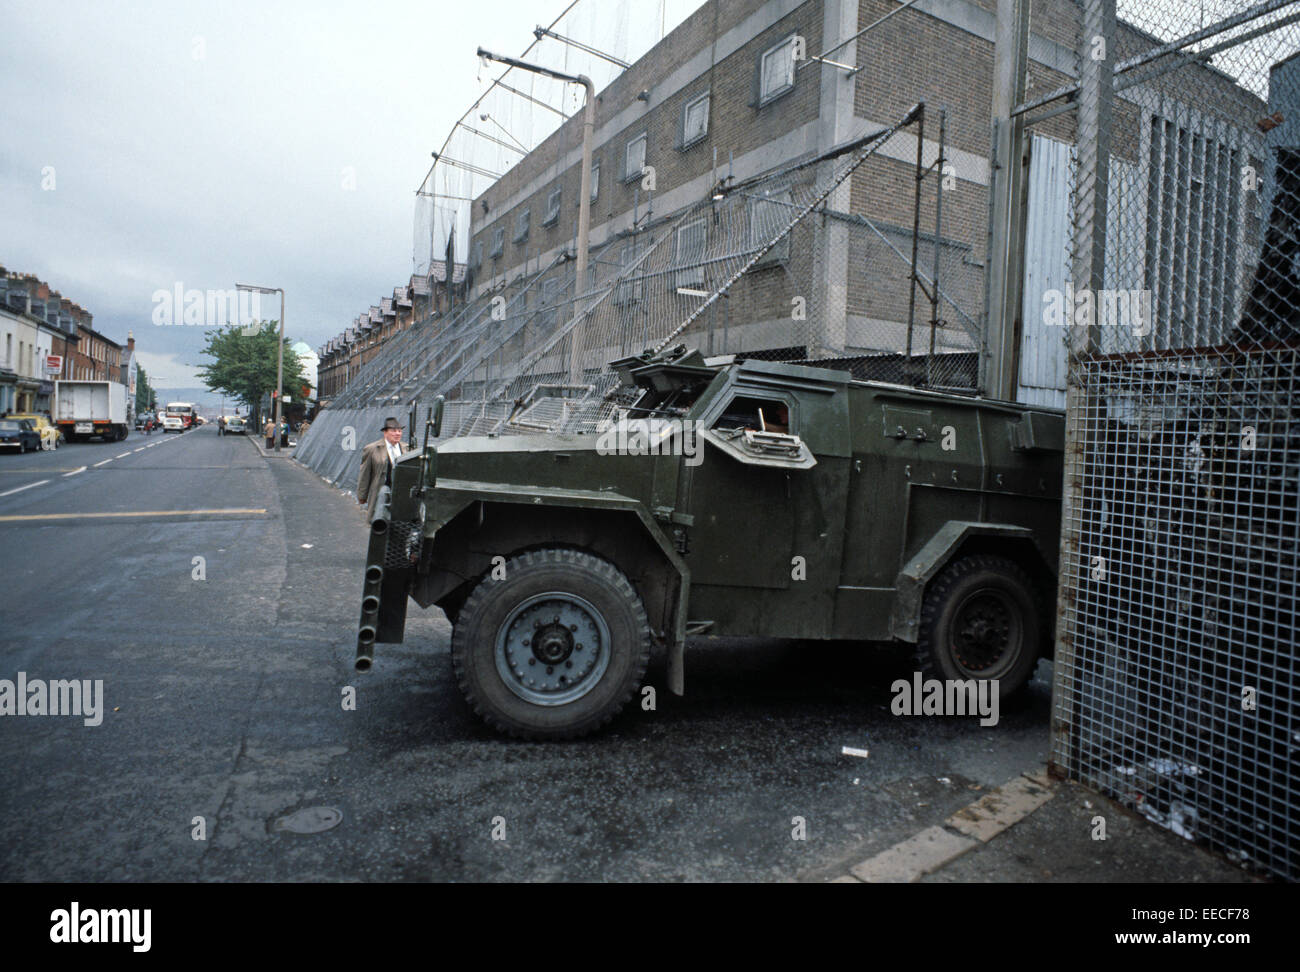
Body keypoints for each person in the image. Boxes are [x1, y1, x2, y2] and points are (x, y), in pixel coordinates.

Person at [357, 417, 405, 522]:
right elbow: (365, 473)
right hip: (380, 493)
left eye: (399, 431)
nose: (397, 433)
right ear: (385, 432)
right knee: (379, 524)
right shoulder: (372, 449)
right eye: (393, 431)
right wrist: (362, 495)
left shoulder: (407, 448)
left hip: (400, 495)